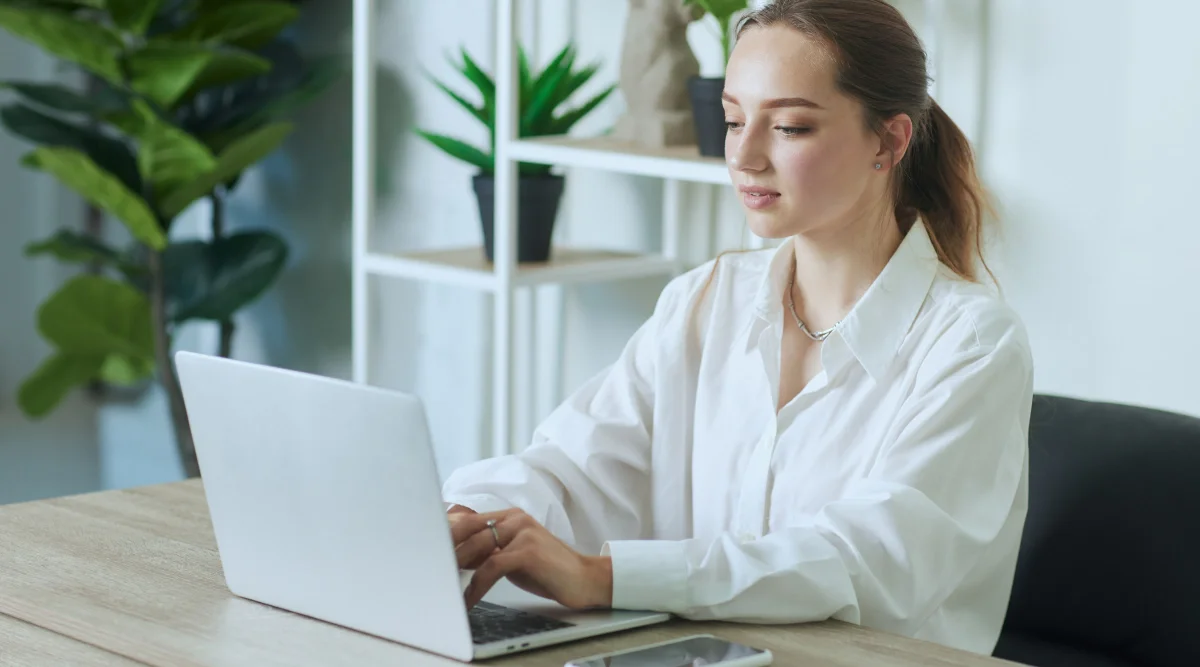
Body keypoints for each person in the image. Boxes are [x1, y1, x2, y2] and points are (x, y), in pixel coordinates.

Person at [442, 0, 1033, 656]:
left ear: (889, 141)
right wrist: (465, 520)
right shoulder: (706, 299)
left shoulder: (974, 346)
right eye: (732, 119)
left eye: (789, 127)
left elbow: (866, 559)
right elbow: (569, 466)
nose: (745, 156)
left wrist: (602, 576)